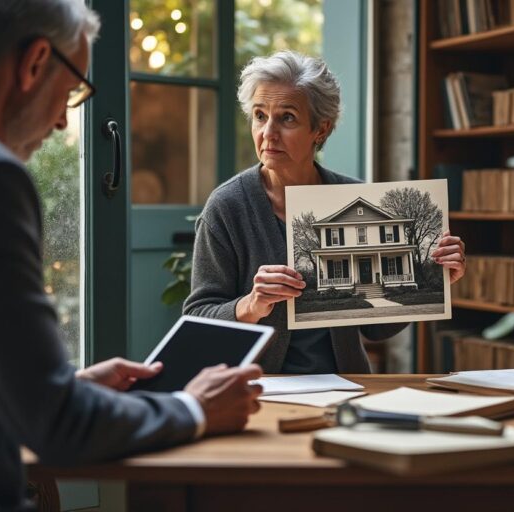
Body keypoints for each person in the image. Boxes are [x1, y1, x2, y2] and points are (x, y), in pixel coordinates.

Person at [0, 1, 262, 510]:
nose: (61, 121)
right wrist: (195, 407)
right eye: (73, 88)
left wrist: (65, 384)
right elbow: (60, 427)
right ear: (35, 62)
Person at [184, 51, 466, 374]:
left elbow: (376, 329)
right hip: (258, 389)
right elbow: (197, 318)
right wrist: (249, 305)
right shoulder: (226, 208)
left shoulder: (353, 199)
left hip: (345, 384)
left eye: (287, 117)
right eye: (260, 116)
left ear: (321, 129)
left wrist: (433, 280)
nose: (268, 133)